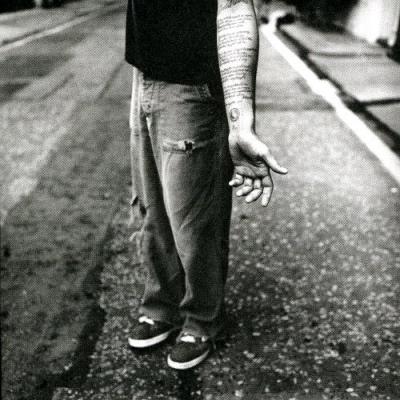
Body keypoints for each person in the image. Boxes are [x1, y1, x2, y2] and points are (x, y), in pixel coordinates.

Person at [126, 0, 287, 370]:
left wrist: (240, 122)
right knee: (154, 208)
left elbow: (234, 5)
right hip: (144, 72)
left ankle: (202, 320)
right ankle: (162, 305)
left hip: (192, 83)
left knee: (194, 222)